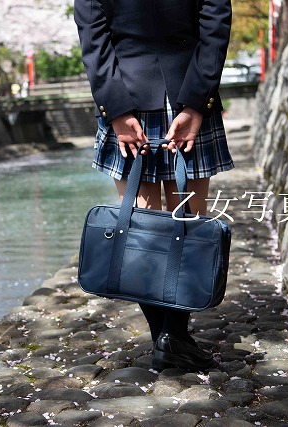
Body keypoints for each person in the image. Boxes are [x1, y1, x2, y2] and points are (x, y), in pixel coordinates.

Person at [74, 0, 234, 371]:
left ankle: (164, 337)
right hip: (188, 87)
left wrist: (115, 109)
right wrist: (197, 103)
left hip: (127, 97)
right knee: (187, 224)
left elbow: (93, 36)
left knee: (141, 228)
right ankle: (173, 337)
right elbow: (215, 23)